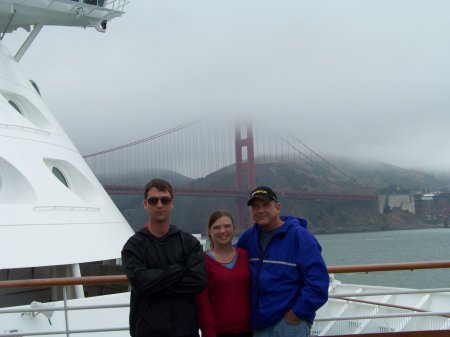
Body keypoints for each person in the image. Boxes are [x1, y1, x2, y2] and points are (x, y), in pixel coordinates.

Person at [237, 186, 329, 337]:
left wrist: (295, 314)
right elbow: (228, 258)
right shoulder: (248, 238)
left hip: (289, 325)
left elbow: (318, 284)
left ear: (277, 208)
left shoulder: (300, 237)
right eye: (255, 206)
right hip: (259, 325)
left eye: (266, 205)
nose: (260, 210)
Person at [121, 178, 206, 337]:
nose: (159, 205)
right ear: (145, 204)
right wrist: (178, 271)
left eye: (164, 200)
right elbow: (140, 284)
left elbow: (197, 282)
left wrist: (155, 283)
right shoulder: (132, 247)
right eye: (153, 200)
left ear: (172, 203)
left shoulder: (189, 243)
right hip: (147, 332)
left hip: (185, 331)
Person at [196, 210, 251, 337]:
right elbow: (202, 303)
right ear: (209, 231)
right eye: (217, 227)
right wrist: (208, 333)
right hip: (217, 332)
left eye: (227, 226)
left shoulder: (245, 255)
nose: (222, 231)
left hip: (249, 330)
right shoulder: (203, 261)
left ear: (234, 228)